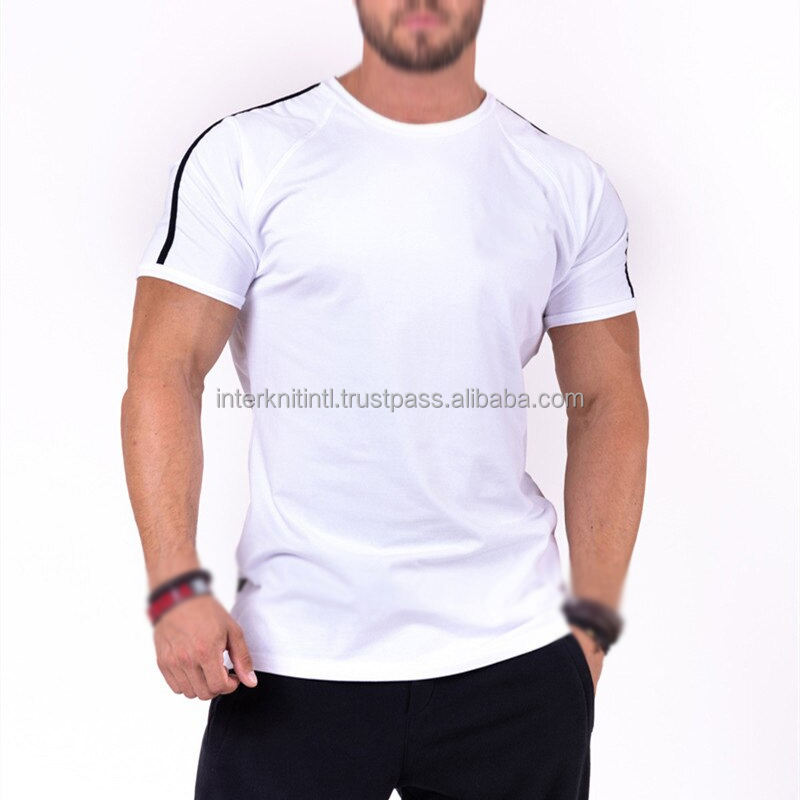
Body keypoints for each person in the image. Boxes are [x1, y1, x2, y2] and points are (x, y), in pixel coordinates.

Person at [121, 1, 648, 797]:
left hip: (513, 656)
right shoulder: (249, 156)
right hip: (289, 656)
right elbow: (165, 370)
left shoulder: (563, 182)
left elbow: (607, 401)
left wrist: (594, 624)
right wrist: (174, 585)